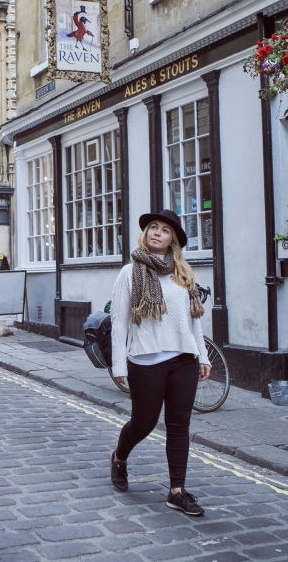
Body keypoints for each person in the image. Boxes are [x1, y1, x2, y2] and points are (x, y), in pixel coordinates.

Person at [110, 209, 211, 516]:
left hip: (183, 359)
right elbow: (120, 322)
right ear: (146, 234)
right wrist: (118, 365)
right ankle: (119, 457)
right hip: (145, 360)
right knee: (144, 422)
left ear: (173, 240)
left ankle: (177, 491)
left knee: (179, 425)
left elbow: (194, 319)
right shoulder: (130, 272)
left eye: (165, 230)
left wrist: (202, 354)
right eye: (153, 227)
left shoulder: (183, 273)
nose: (157, 232)